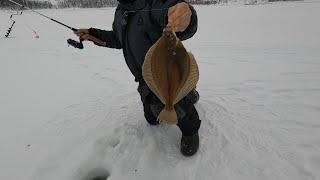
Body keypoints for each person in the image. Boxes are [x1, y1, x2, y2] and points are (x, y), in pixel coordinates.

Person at [74, 0, 201, 156]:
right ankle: (187, 92)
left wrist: (186, 16)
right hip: (144, 77)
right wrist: (92, 34)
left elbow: (171, 14)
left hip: (165, 73)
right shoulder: (121, 10)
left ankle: (190, 130)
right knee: (152, 118)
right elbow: (117, 38)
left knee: (179, 105)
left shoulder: (153, 3)